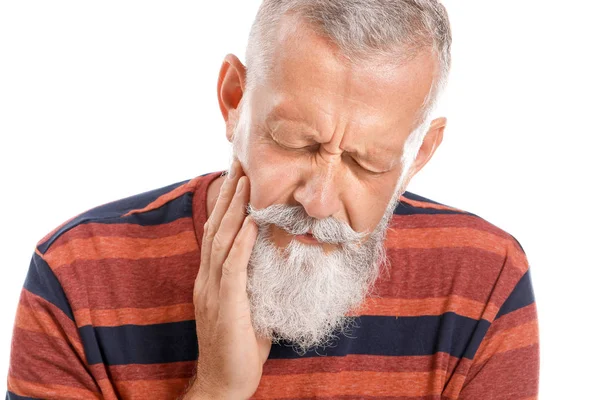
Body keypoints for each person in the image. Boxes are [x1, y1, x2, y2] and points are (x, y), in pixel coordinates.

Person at [6, 1, 539, 399]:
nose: (320, 202)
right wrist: (216, 388)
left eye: (366, 162)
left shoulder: (485, 283)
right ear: (234, 101)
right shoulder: (75, 277)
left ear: (419, 152)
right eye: (295, 143)